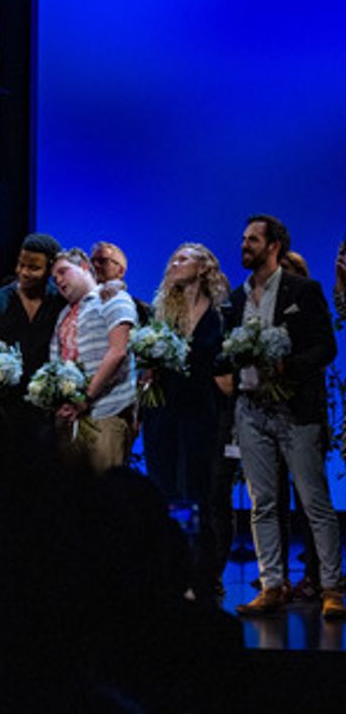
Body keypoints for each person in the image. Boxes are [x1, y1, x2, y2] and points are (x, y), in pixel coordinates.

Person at [224, 215, 342, 619]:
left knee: (314, 501)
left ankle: (332, 586)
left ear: (273, 246)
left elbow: (326, 347)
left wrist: (286, 367)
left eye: (253, 240)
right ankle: (272, 584)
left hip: (295, 409)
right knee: (263, 503)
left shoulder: (302, 290)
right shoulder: (237, 298)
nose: (245, 245)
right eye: (244, 239)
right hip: (250, 408)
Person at [142, 243, 230, 601]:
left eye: (182, 259)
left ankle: (201, 573)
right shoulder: (163, 313)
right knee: (166, 492)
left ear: (203, 266)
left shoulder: (221, 314)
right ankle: (174, 572)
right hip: (164, 412)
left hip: (200, 412)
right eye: (172, 259)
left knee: (195, 493)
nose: (174, 264)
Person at [47, 248, 138, 471]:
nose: (58, 280)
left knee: (105, 486)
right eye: (54, 278)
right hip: (71, 418)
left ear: (84, 267)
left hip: (105, 413)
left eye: (63, 272)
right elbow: (56, 362)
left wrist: (86, 398)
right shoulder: (63, 314)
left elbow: (118, 351)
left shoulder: (112, 298)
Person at [0, 233, 67, 427]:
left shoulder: (61, 303)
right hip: (3, 410)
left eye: (34, 268)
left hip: (47, 410)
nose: (24, 272)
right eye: (21, 264)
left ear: (50, 270)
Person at [91, 241, 153, 325]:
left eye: (102, 261)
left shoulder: (141, 310)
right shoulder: (78, 302)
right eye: (91, 261)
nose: (95, 265)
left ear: (120, 270)